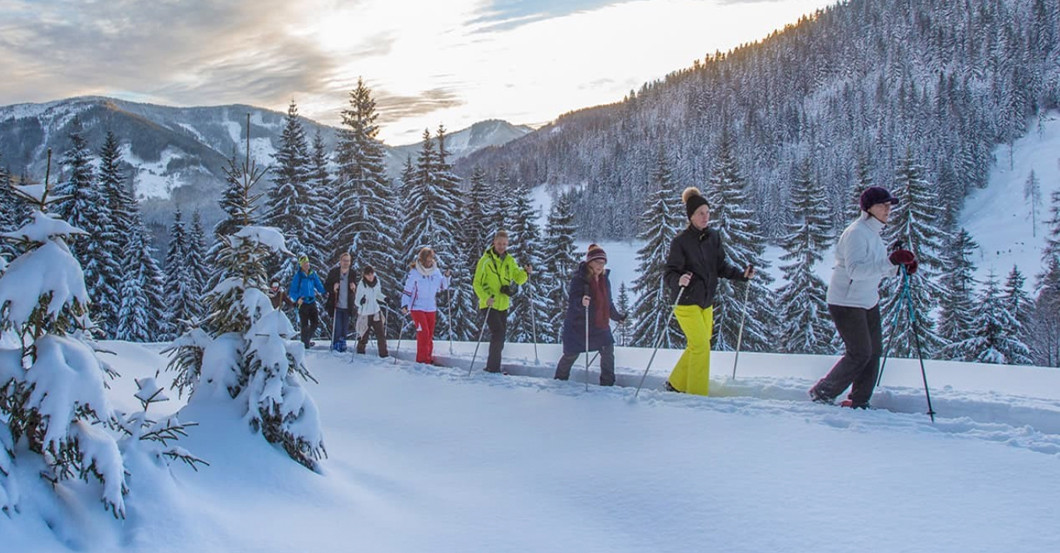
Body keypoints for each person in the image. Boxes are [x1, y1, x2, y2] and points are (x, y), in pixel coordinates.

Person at [809, 186, 916, 409]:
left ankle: (859, 400)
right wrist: (891, 262)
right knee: (860, 353)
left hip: (867, 300)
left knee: (873, 352)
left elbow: (876, 268)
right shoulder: (856, 233)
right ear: (868, 208)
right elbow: (856, 271)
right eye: (883, 205)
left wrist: (899, 268)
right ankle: (823, 392)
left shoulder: (873, 233)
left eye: (889, 206)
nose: (888, 210)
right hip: (846, 301)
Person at [664, 187, 754, 396]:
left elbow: (720, 266)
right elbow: (668, 274)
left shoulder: (713, 237)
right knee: (701, 347)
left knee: (699, 345)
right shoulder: (680, 242)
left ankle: (675, 383)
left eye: (707, 212)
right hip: (685, 303)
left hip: (706, 302)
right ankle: (697, 395)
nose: (705, 217)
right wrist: (679, 279)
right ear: (691, 216)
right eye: (700, 213)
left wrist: (742, 275)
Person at [554, 244, 626, 386]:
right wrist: (581, 302)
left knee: (608, 349)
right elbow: (572, 301)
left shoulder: (605, 280)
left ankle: (607, 384)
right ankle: (559, 382)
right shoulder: (579, 279)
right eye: (597, 262)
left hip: (599, 324)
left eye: (603, 262)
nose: (600, 265)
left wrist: (617, 317)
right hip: (579, 325)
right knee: (571, 354)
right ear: (589, 263)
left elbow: (608, 303)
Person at [473, 230, 531, 374]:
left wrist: (525, 272)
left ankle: (493, 365)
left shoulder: (509, 260)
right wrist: (485, 297)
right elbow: (476, 283)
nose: (501, 246)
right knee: (498, 333)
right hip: (489, 303)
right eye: (499, 243)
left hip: (503, 303)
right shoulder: (485, 260)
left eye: (504, 244)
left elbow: (518, 278)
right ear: (494, 242)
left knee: (501, 335)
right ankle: (492, 368)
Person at [400, 247, 451, 364]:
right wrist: (404, 304)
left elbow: (443, 287)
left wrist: (447, 277)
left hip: (431, 307)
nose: (429, 263)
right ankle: (422, 360)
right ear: (422, 260)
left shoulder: (435, 271)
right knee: (423, 333)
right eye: (427, 261)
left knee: (429, 334)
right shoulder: (415, 272)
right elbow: (407, 291)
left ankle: (428, 357)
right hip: (417, 307)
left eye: (431, 260)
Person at [288, 255, 325, 349]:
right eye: (304, 263)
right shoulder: (298, 276)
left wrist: (326, 292)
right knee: (304, 325)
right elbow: (292, 291)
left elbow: (319, 285)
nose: (306, 265)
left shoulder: (313, 274)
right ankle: (305, 345)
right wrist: (297, 298)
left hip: (312, 302)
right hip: (303, 303)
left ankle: (306, 341)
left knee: (315, 323)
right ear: (301, 265)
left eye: (307, 263)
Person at [324, 252, 357, 352]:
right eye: (344, 260)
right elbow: (326, 286)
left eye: (348, 261)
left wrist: (354, 287)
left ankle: (343, 343)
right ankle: (335, 343)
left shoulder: (353, 273)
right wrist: (333, 288)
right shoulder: (334, 272)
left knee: (344, 327)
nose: (346, 263)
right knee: (337, 326)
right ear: (340, 261)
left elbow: (357, 286)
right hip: (336, 304)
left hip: (348, 305)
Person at [354, 265, 389, 357]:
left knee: (381, 334)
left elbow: (377, 294)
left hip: (375, 311)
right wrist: (361, 301)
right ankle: (360, 353)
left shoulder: (377, 282)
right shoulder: (361, 285)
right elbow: (357, 301)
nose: (370, 276)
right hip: (365, 313)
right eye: (368, 275)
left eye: (371, 274)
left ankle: (384, 354)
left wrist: (384, 298)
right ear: (364, 275)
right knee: (363, 336)